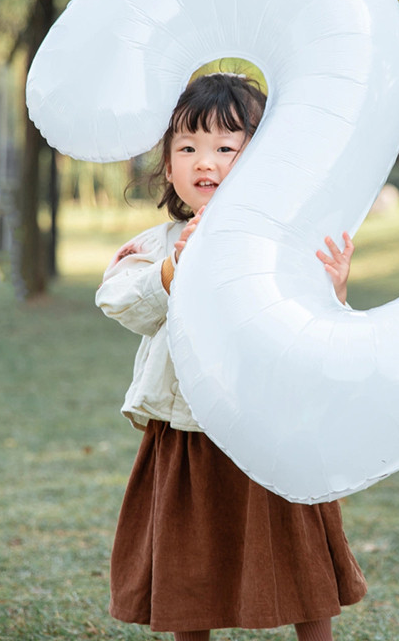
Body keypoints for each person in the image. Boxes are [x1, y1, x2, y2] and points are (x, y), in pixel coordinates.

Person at [95, 73, 366, 641]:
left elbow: (319, 332)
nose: (205, 162)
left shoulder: (285, 245)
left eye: (226, 148)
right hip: (189, 431)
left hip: (272, 427)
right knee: (188, 557)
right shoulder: (160, 244)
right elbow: (120, 300)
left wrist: (334, 290)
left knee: (297, 552)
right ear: (168, 167)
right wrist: (174, 269)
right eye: (187, 148)